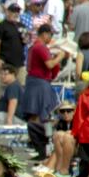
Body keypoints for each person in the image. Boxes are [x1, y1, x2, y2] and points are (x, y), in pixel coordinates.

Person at [20, 24, 71, 158]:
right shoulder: (40, 47)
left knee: (37, 115)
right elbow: (50, 64)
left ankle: (41, 148)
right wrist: (61, 56)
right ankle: (40, 147)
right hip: (39, 82)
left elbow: (50, 68)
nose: (51, 38)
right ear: (45, 34)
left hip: (37, 82)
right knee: (38, 116)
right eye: (51, 35)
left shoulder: (35, 48)